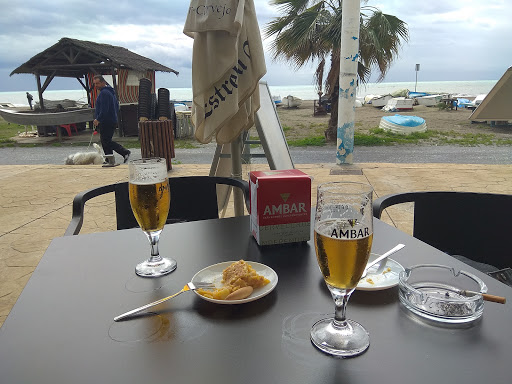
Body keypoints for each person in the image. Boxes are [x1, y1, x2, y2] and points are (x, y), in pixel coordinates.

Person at [92, 75, 130, 163]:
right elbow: (116, 106)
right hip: (111, 120)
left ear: (103, 82)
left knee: (106, 141)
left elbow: (104, 109)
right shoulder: (110, 92)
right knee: (105, 141)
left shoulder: (104, 93)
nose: (96, 85)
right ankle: (109, 159)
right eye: (95, 84)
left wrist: (98, 119)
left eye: (98, 83)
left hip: (106, 121)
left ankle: (124, 152)